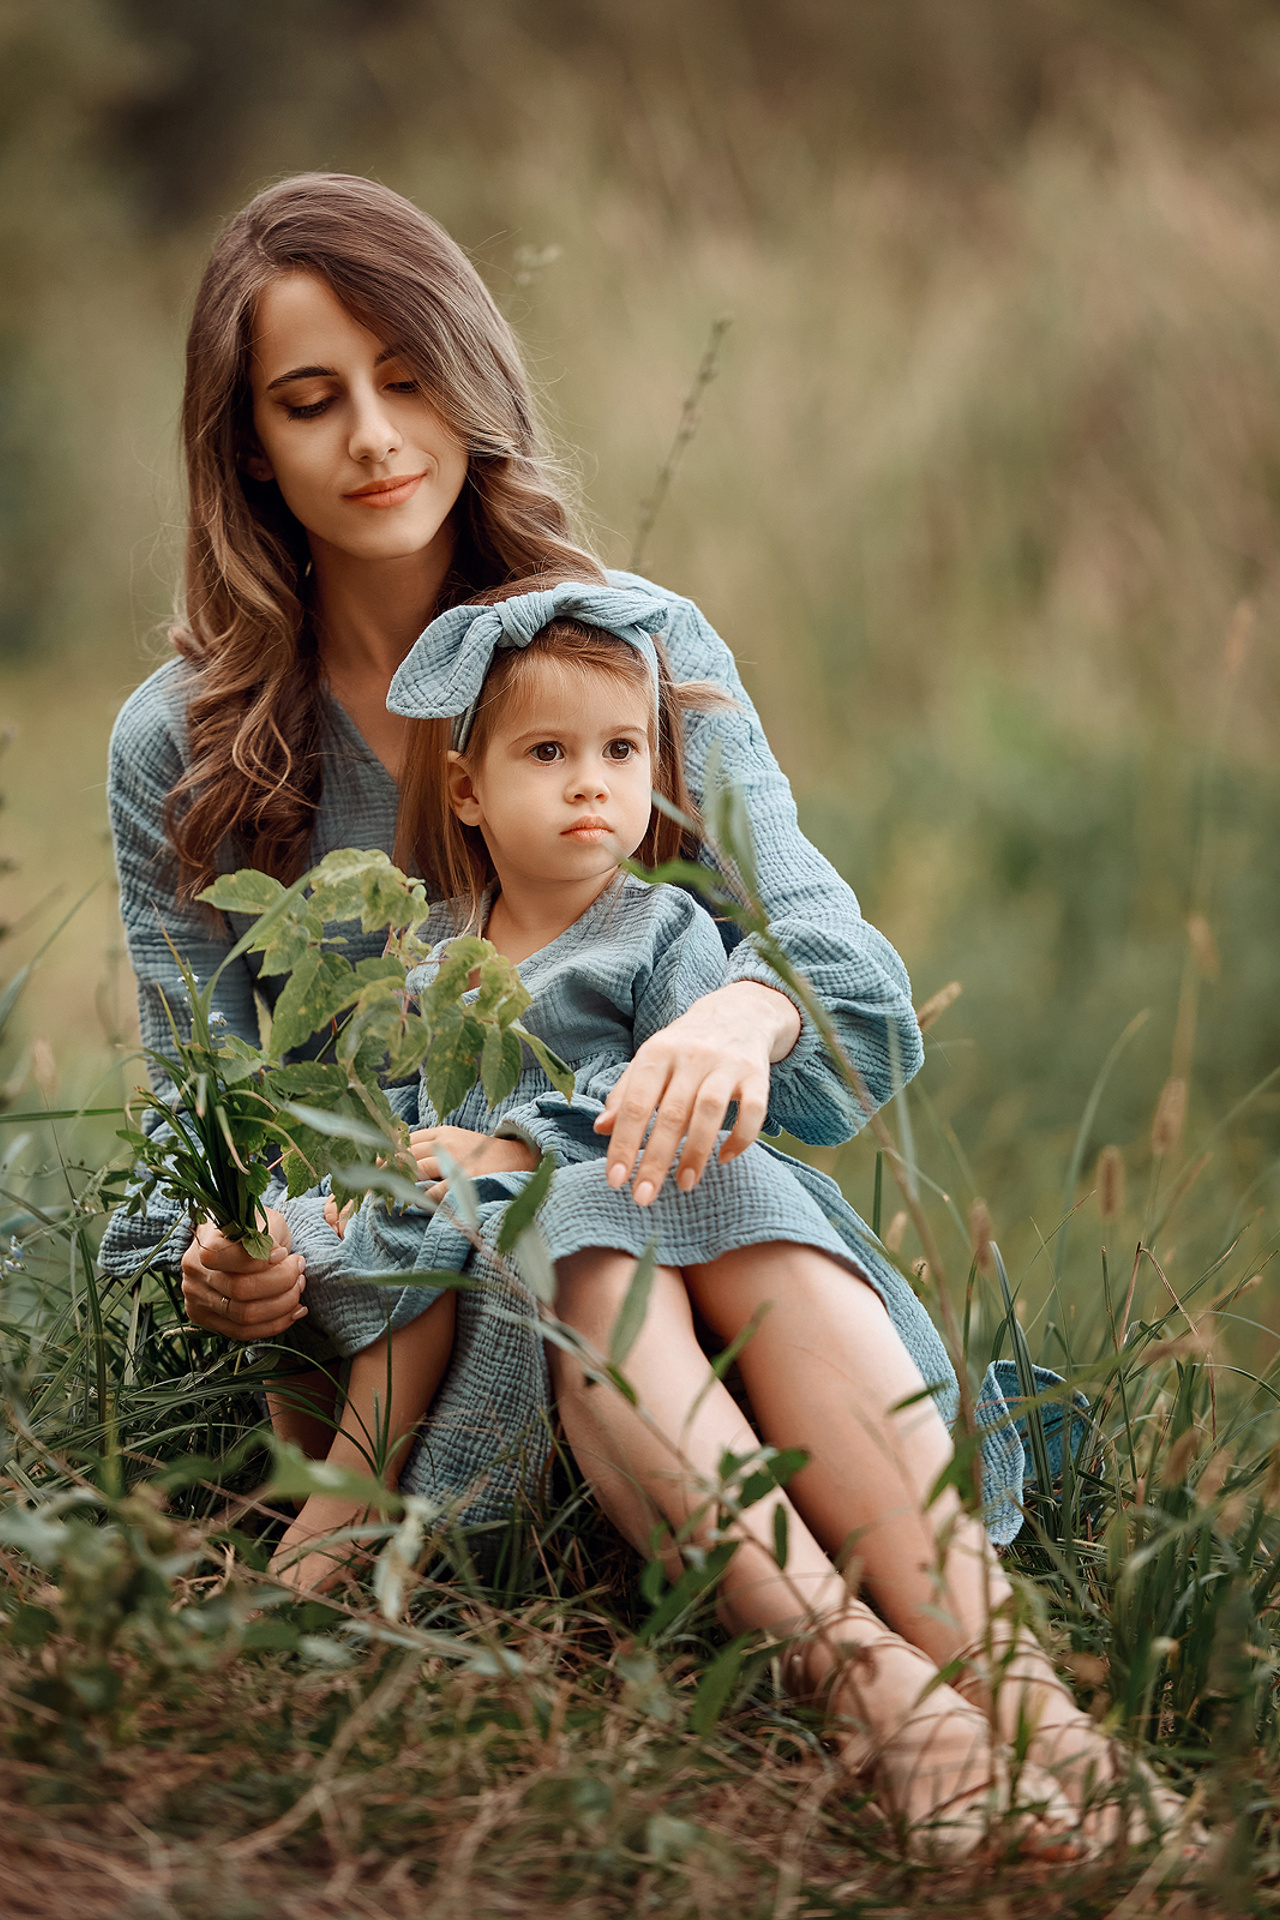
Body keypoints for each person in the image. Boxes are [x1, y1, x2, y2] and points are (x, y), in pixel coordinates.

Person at [100, 174, 1192, 1861]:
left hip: (702, 1293)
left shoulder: (635, 648)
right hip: (410, 1335)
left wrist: (732, 1019)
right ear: (247, 448)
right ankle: (881, 1700)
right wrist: (232, 1254)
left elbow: (840, 979)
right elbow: (202, 1128)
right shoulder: (183, 744)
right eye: (310, 402)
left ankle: (1034, 1713)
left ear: (471, 378)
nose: (376, 438)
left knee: (637, 1183)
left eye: (407, 377)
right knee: (574, 1204)